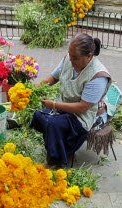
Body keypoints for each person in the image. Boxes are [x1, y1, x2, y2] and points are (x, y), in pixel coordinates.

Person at [30, 33, 112, 169]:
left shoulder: (98, 76)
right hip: (63, 106)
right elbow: (53, 77)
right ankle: (60, 147)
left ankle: (54, 161)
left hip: (81, 116)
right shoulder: (69, 59)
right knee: (39, 115)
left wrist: (54, 104)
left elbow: (83, 107)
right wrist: (35, 87)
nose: (71, 60)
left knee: (53, 124)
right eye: (69, 55)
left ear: (89, 56)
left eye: (75, 57)